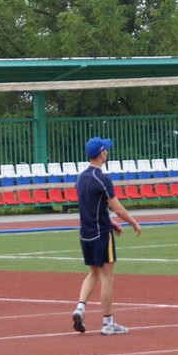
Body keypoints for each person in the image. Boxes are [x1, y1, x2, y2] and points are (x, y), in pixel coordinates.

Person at [71, 136, 142, 335]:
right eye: (106, 150)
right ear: (102, 153)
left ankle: (80, 308)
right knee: (107, 277)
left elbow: (91, 206)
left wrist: (110, 220)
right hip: (101, 234)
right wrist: (133, 222)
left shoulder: (81, 177)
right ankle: (108, 322)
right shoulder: (102, 178)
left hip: (85, 233)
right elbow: (117, 207)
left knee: (93, 273)